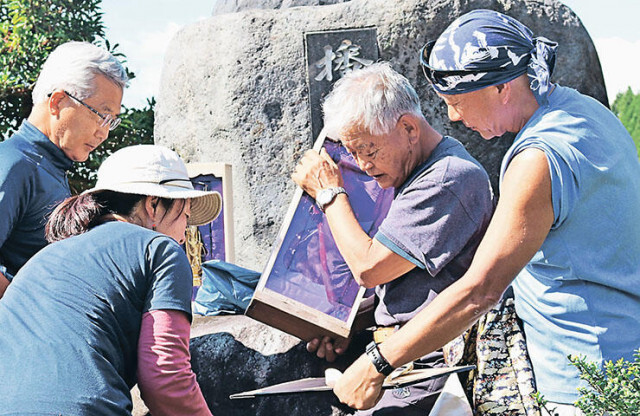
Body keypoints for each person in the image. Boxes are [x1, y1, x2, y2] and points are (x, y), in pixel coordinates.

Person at [333, 10, 640, 416]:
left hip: (582, 376)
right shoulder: (588, 113)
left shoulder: (537, 160)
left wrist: (377, 364)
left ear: (503, 88)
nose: (455, 118)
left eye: (457, 101)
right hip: (623, 352)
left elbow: (481, 290)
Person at [292, 62, 493, 414]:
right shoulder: (415, 173)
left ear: (409, 128)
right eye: (352, 153)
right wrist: (345, 324)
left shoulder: (447, 178)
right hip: (403, 362)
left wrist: (329, 192)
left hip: (431, 370)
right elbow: (415, 286)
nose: (363, 165)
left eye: (368, 150)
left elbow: (370, 269)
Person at [0, 145, 222, 415]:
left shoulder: (44, 258)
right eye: (184, 218)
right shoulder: (160, 250)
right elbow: (166, 379)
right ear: (153, 205)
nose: (184, 236)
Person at [0, 41, 127, 298]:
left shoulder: (49, 167)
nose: (104, 132)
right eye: (101, 115)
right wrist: (28, 310)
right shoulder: (15, 164)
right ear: (57, 101)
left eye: (111, 121)